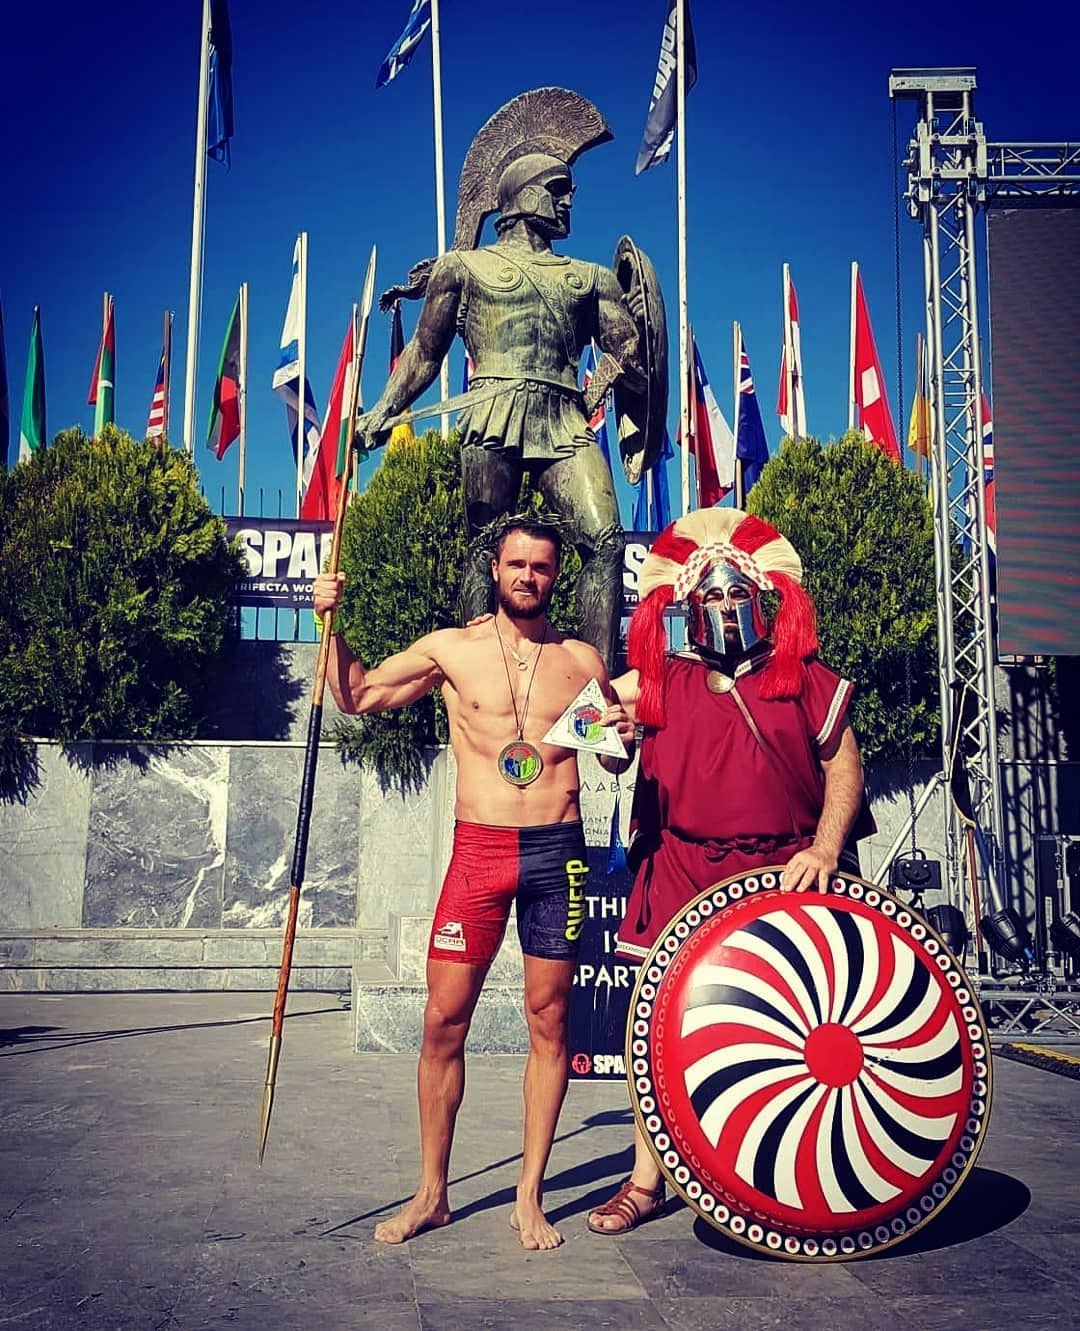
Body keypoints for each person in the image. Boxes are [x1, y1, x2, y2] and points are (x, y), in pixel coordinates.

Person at [313, 519, 634, 1251]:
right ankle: (432, 1194)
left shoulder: (580, 660)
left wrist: (622, 739)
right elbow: (357, 695)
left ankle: (529, 1196)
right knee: (442, 1020)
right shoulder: (451, 650)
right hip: (480, 852)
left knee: (550, 1020)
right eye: (516, 563)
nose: (528, 576)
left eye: (541, 566)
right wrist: (328, 624)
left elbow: (609, 759)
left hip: (558, 853)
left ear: (556, 575)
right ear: (495, 568)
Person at [586, 507, 872, 1235]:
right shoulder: (660, 680)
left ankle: (786, 1173)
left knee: (790, 1035)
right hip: (680, 870)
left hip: (783, 876)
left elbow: (844, 767)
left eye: (735, 593)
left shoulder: (804, 675)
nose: (722, 606)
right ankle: (645, 1180)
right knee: (657, 1033)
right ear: (687, 607)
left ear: (761, 596)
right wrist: (616, 739)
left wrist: (825, 850)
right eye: (708, 596)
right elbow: (595, 732)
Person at [359, 88, 651, 666]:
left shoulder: (593, 278)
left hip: (565, 421)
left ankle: (592, 685)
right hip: (493, 411)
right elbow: (424, 352)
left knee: (605, 541)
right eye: (558, 190)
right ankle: (482, 671)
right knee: (483, 546)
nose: (569, 202)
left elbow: (631, 356)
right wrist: (382, 410)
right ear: (523, 197)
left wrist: (620, 365)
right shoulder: (461, 268)